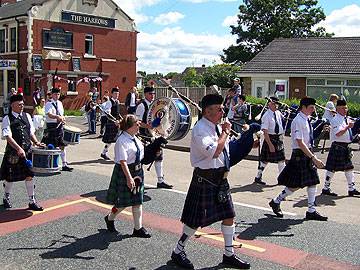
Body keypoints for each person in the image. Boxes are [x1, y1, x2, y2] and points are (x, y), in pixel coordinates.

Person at [170, 94, 250, 269]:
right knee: (194, 221)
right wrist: (225, 133)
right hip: (205, 179)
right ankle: (177, 251)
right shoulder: (200, 129)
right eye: (219, 108)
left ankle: (229, 255)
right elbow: (214, 151)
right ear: (208, 111)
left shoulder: (216, 127)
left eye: (222, 108)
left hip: (221, 179)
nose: (223, 111)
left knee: (229, 216)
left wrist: (248, 141)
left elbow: (226, 152)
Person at [269, 97, 328, 221]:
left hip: (307, 154)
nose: (314, 110)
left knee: (312, 182)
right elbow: (300, 142)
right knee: (294, 185)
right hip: (300, 156)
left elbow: (309, 139)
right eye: (311, 107)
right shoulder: (297, 121)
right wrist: (314, 158)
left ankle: (311, 211)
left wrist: (321, 131)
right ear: (304, 107)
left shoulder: (306, 120)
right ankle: (276, 201)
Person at [104, 114, 151, 238]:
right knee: (122, 203)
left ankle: (138, 228)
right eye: (137, 123)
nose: (139, 125)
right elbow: (123, 162)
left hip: (138, 172)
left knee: (137, 201)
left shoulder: (135, 137)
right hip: (125, 172)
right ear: (130, 126)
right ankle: (110, 218)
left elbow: (141, 154)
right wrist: (129, 178)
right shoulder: (121, 141)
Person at [1, 94, 45, 211]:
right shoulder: (7, 118)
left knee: (30, 175)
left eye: (22, 104)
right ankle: (6, 197)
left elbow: (30, 132)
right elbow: (8, 137)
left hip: (27, 151)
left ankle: (32, 201)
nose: (22, 106)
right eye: (19, 104)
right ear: (12, 105)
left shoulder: (27, 116)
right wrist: (18, 148)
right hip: (13, 153)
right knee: (10, 178)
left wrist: (36, 142)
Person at [135, 86, 173, 189]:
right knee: (142, 158)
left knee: (159, 156)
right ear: (145, 94)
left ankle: (160, 180)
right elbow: (137, 122)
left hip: (155, 135)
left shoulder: (156, 105)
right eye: (150, 94)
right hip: (144, 135)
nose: (152, 96)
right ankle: (137, 179)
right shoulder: (142, 106)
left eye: (153, 94)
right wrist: (148, 126)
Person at [321, 99, 360, 197]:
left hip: (345, 147)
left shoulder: (346, 118)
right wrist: (347, 127)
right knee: (331, 169)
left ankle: (351, 189)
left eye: (346, 107)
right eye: (343, 108)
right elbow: (338, 133)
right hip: (337, 147)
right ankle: (326, 188)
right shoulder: (335, 120)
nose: (345, 109)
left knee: (349, 168)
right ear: (337, 108)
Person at [254, 97, 286, 185]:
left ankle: (281, 178)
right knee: (265, 160)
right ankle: (258, 176)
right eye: (275, 104)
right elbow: (265, 131)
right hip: (270, 138)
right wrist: (270, 144)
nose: (277, 106)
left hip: (279, 138)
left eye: (277, 104)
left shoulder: (278, 113)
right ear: (270, 104)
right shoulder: (266, 116)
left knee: (281, 160)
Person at [42, 87, 73, 172]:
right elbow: (49, 114)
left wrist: (63, 119)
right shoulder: (48, 103)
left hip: (59, 127)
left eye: (58, 94)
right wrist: (57, 117)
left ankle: (64, 164)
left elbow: (61, 114)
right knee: (51, 146)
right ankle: (48, 164)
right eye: (55, 94)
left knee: (62, 145)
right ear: (52, 95)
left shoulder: (60, 103)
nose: (57, 95)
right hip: (52, 126)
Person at [101, 88, 121, 160]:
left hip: (117, 123)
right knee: (110, 141)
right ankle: (104, 153)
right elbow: (107, 113)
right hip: (112, 123)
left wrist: (121, 119)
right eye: (115, 93)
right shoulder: (110, 102)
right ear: (112, 94)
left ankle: (104, 153)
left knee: (118, 140)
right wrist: (114, 120)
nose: (117, 95)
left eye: (118, 94)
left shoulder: (117, 102)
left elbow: (117, 113)